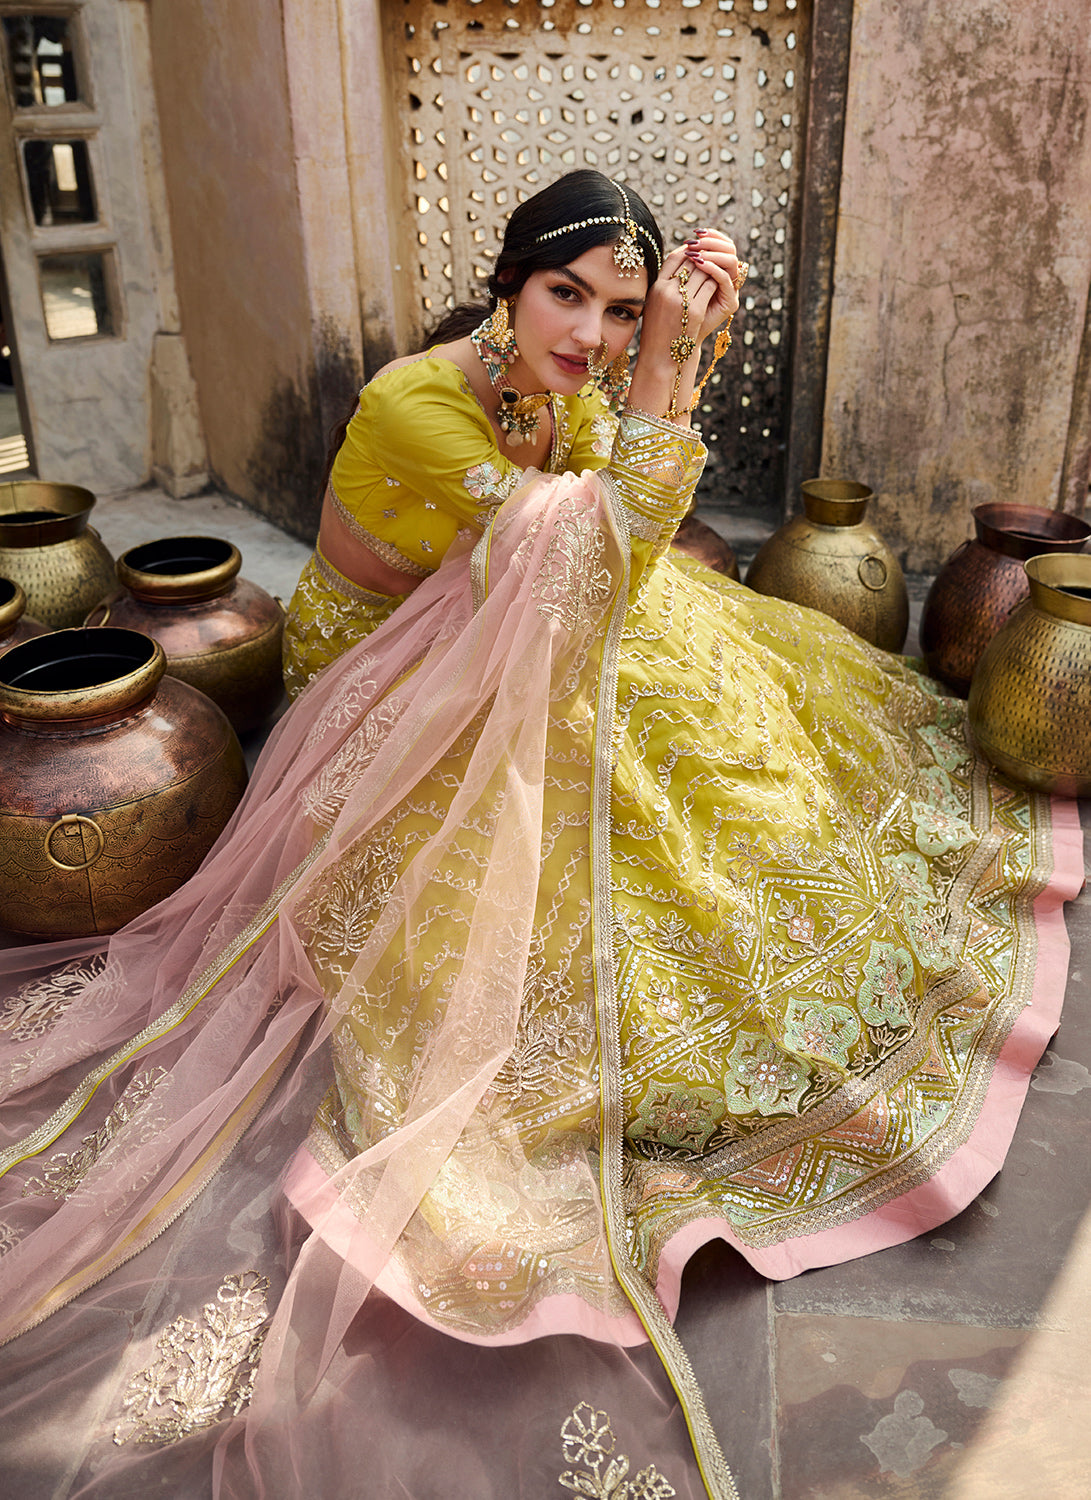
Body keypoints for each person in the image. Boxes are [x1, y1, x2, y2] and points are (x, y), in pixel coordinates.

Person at [0, 171, 1081, 1500]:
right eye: (562, 293)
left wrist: (668, 375)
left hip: (518, 613)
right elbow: (577, 563)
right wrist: (662, 380)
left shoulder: (549, 385)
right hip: (397, 667)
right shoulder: (417, 400)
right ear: (504, 281)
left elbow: (602, 557)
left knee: (703, 658)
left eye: (622, 309)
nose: (586, 333)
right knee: (627, 712)